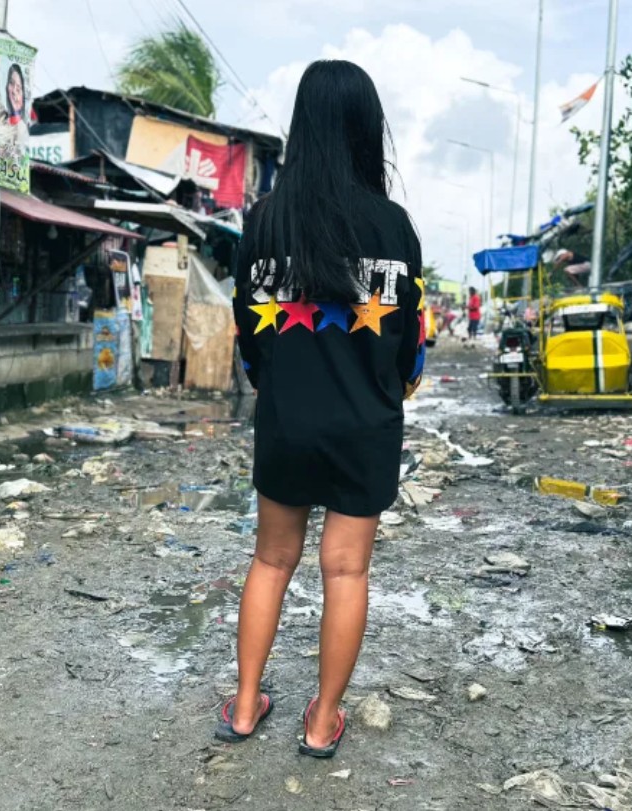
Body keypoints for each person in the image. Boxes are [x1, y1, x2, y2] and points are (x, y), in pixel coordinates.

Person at [223, 60, 425, 758]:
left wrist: (275, 385)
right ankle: (321, 721)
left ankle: (244, 706)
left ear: (301, 128)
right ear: (367, 129)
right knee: (345, 572)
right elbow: (410, 346)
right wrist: (389, 386)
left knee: (270, 560)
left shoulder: (263, 221)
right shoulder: (393, 227)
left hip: (287, 421)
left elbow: (248, 340)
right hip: (365, 427)